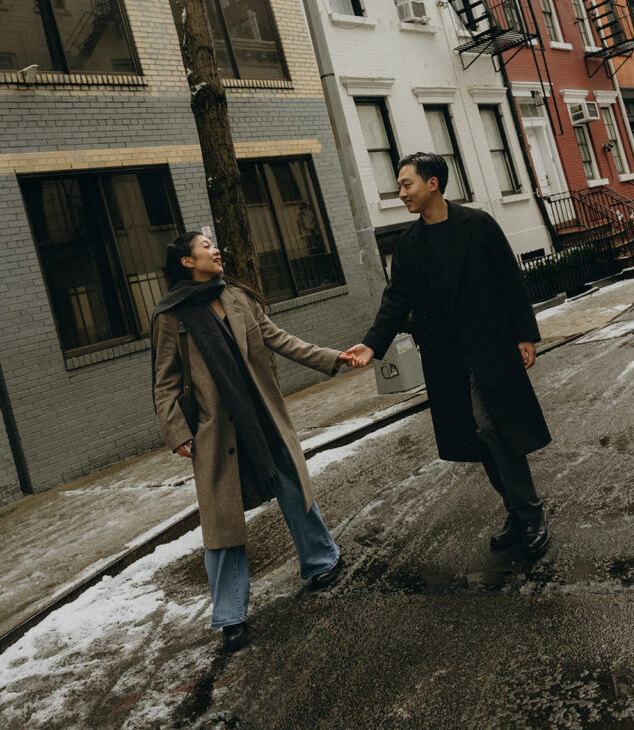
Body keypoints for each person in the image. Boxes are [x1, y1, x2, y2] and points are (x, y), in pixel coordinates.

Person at [152, 231, 352, 652]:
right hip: (216, 430)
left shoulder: (237, 297)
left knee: (293, 487)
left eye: (214, 244)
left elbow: (280, 339)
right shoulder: (172, 316)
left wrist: (330, 357)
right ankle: (230, 616)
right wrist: (176, 431)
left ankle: (321, 559)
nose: (215, 250)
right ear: (187, 262)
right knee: (222, 520)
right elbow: (165, 382)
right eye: (205, 246)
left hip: (262, 416)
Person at [347, 153, 552, 557]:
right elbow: (396, 300)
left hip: (490, 349)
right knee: (479, 435)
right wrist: (372, 345)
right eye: (399, 186)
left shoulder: (478, 224)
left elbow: (509, 280)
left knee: (491, 427)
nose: (401, 193)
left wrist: (525, 335)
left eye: (407, 184)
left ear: (433, 184)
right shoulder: (408, 245)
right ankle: (517, 510)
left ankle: (530, 513)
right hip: (446, 359)